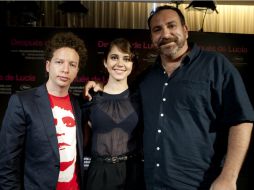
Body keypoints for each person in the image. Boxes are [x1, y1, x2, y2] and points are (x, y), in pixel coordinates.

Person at [84, 5, 254, 190]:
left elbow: (241, 120)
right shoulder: (146, 78)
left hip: (202, 184)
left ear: (186, 30)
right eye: (157, 29)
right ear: (152, 38)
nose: (165, 34)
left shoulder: (216, 65)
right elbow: (119, 94)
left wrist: (228, 177)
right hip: (151, 183)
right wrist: (101, 87)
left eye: (171, 26)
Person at [0, 32, 87, 190]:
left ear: (77, 70)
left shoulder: (78, 104)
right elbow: (8, 163)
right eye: (59, 62)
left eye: (72, 64)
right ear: (48, 65)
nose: (65, 69)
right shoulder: (22, 102)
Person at [82, 38, 144, 190]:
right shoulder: (90, 98)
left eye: (126, 59)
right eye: (114, 57)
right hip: (98, 174)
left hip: (133, 173)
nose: (120, 64)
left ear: (132, 64)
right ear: (105, 62)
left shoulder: (141, 98)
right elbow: (81, 142)